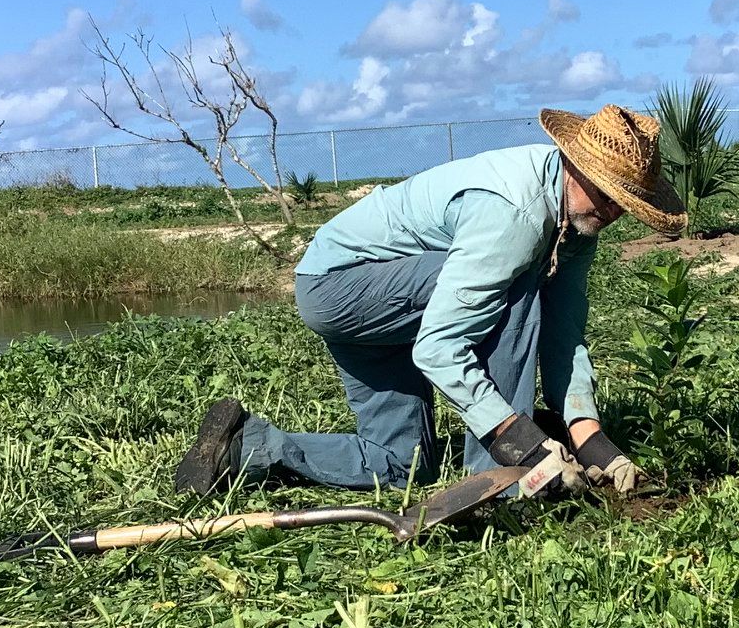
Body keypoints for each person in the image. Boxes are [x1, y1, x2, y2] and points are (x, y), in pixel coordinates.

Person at [171, 103, 687, 499]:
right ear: (575, 166)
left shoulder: (574, 224)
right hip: (346, 285)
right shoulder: (515, 212)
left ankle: (247, 446)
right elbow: (439, 347)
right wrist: (520, 443)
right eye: (608, 195)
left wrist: (592, 441)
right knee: (516, 285)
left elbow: (563, 335)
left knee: (398, 463)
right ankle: (499, 482)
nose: (614, 213)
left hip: (393, 295)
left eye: (626, 204)